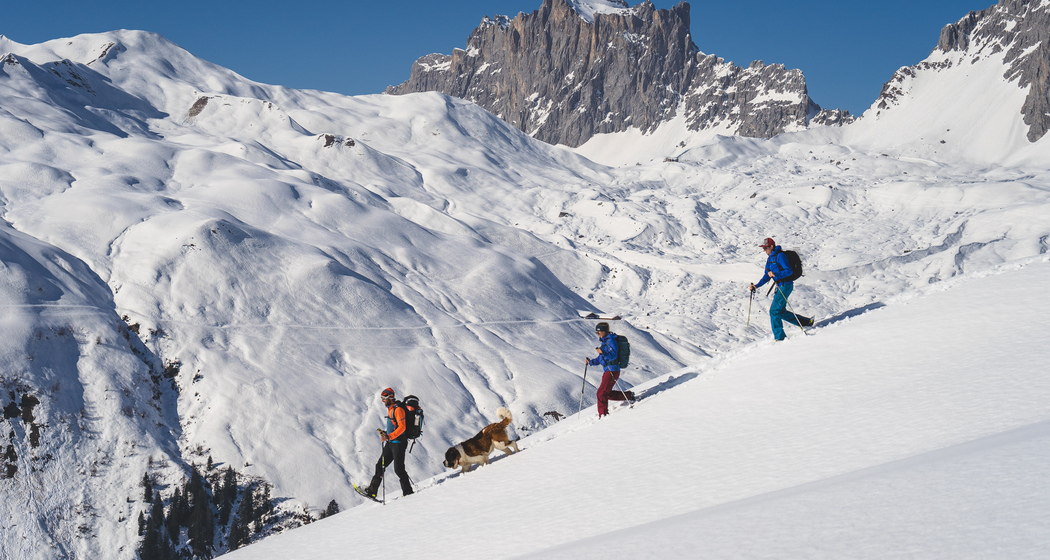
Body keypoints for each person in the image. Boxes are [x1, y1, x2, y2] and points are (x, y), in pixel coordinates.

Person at [749, 237, 814, 341]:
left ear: (771, 246)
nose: (764, 250)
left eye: (765, 248)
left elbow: (789, 271)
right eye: (763, 248)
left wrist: (776, 274)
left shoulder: (780, 256)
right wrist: (756, 286)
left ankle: (780, 338)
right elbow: (767, 275)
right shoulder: (770, 259)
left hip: (786, 285)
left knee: (774, 311)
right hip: (780, 286)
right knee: (781, 311)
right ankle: (807, 322)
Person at [362, 388, 414, 498]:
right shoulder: (391, 409)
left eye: (384, 398)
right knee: (380, 465)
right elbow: (395, 427)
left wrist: (388, 436)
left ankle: (408, 492)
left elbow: (402, 428)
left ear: (390, 397)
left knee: (399, 469)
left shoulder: (398, 409)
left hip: (399, 443)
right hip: (391, 443)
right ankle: (372, 491)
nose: (383, 401)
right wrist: (385, 433)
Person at [586, 322, 634, 417]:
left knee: (601, 393)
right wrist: (590, 362)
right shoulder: (605, 342)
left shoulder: (611, 341)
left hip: (612, 370)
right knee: (606, 393)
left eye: (598, 332)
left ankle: (603, 415)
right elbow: (600, 359)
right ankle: (629, 396)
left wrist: (602, 352)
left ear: (604, 331)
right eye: (596, 332)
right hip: (608, 370)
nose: (597, 334)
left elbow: (613, 356)